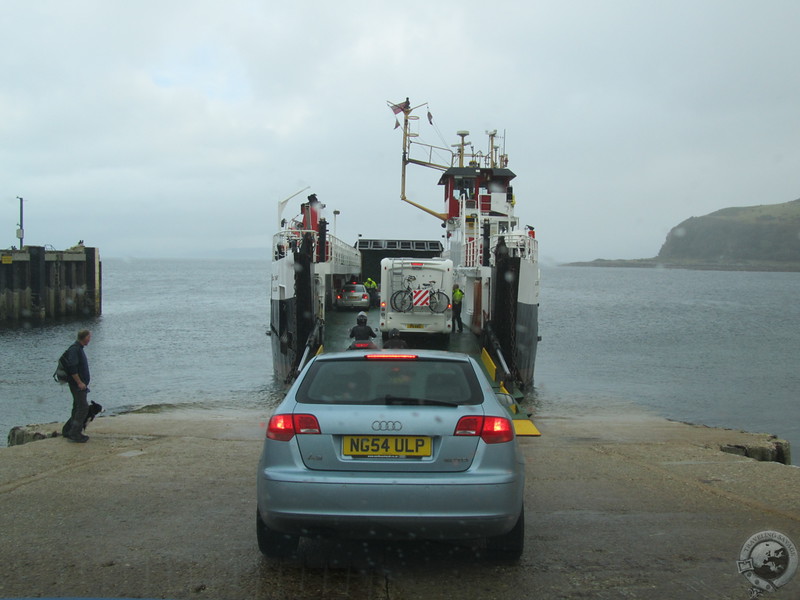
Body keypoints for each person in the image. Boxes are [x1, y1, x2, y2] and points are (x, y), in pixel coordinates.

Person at [61, 329, 92, 443]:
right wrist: (79, 382)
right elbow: (72, 368)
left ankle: (68, 430)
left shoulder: (79, 348)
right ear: (84, 338)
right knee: (83, 408)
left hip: (80, 385)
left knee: (77, 407)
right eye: (89, 337)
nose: (90, 339)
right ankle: (75, 433)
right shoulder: (75, 350)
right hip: (77, 385)